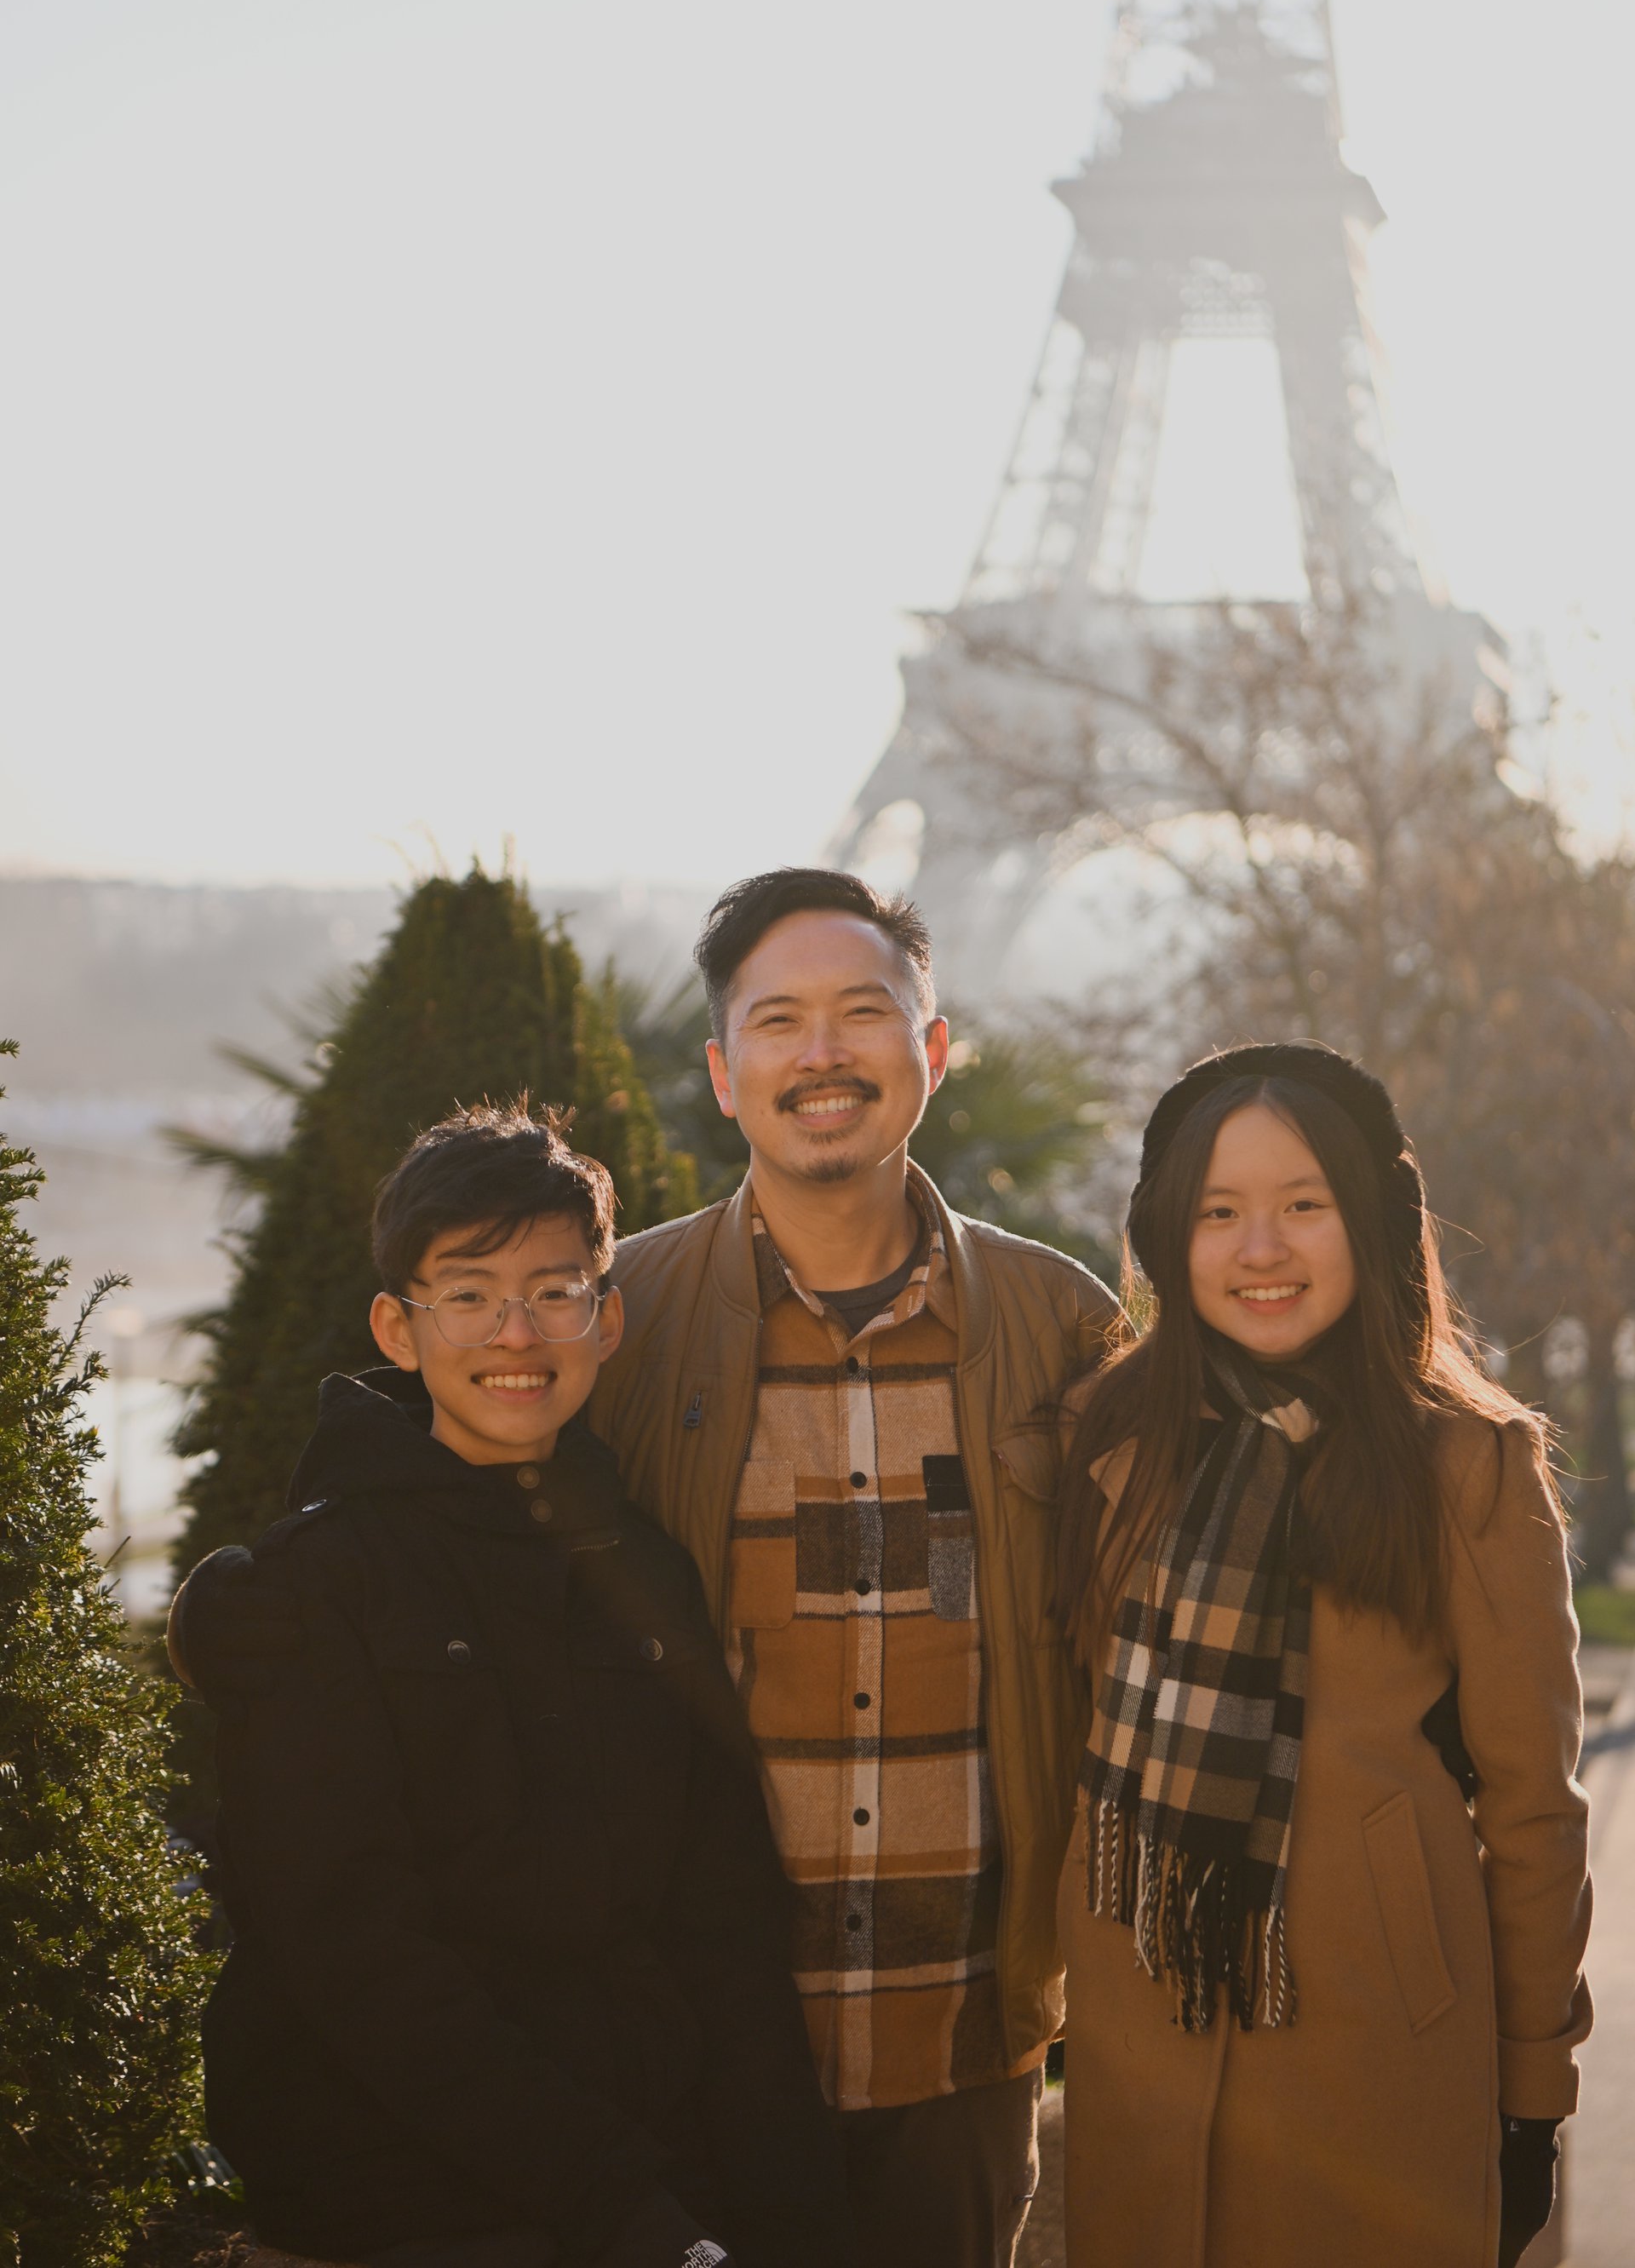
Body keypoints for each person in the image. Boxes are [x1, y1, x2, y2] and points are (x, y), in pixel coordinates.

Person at [168, 1103, 855, 2268]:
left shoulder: (645, 1571)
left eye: (554, 1290)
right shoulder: (313, 1586)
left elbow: (723, 1920)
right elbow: (352, 1952)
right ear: (398, 1328)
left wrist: (790, 2219)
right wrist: (626, 2210)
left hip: (656, 2179)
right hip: (398, 2197)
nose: (516, 1333)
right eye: (469, 1294)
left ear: (608, 1316)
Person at [588, 868, 1119, 2268]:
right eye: (778, 1020)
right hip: (696, 2049)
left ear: (933, 1049)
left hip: (966, 2043)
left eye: (863, 1012)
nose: (822, 1053)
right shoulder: (622, 1326)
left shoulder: (1061, 1324)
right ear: (724, 1073)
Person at [1051, 1041, 1592, 2268]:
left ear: (1373, 1223)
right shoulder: (1105, 1433)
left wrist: (1533, 2091)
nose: (1262, 1249)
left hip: (1378, 2036)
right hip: (1141, 2025)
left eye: (1305, 1205)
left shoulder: (1469, 1465)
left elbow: (1534, 1812)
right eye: (1219, 1212)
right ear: (1167, 1235)